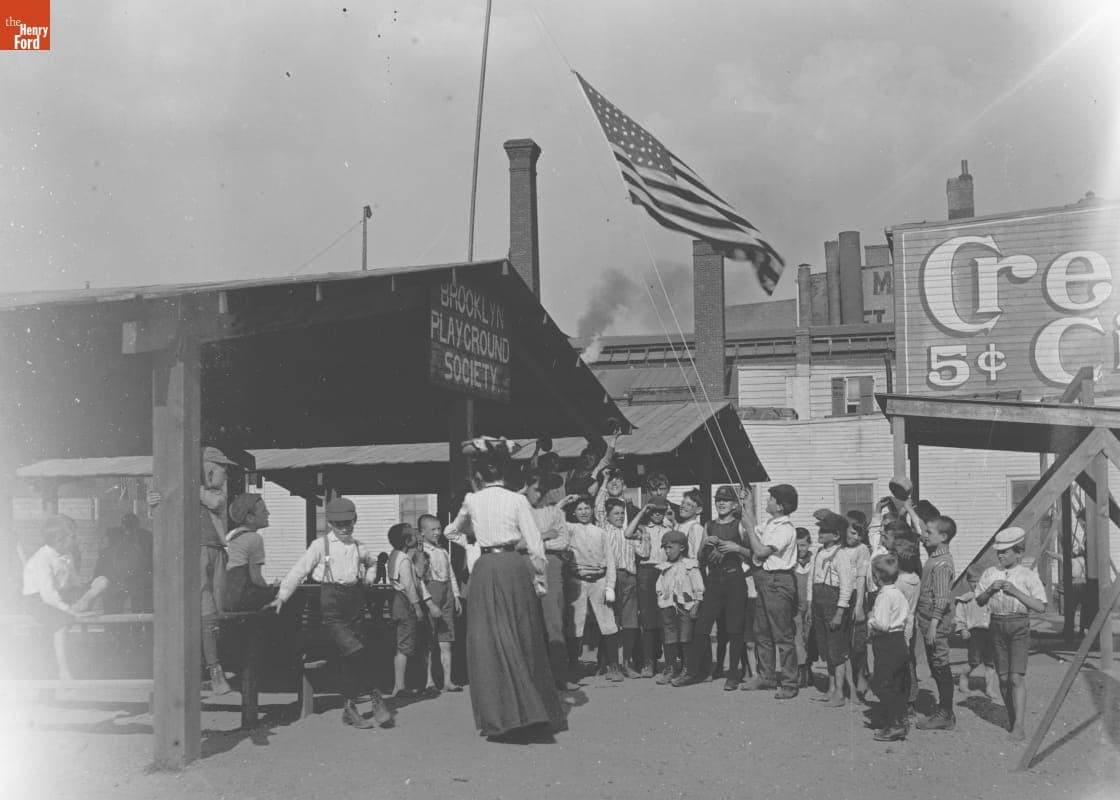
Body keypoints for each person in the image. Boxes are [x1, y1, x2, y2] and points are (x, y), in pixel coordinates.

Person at [444, 440, 564, 740]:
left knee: (488, 641)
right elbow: (536, 546)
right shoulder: (517, 500)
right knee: (523, 636)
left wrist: (477, 534)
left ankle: (502, 716)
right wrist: (540, 580)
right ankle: (532, 712)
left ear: (481, 476)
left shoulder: (473, 500)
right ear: (507, 475)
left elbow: (455, 530)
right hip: (512, 565)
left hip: (485, 568)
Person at [269, 497, 392, 730]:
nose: (344, 528)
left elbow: (373, 563)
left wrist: (369, 577)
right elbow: (298, 570)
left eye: (348, 523)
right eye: (338, 524)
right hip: (331, 608)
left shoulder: (359, 546)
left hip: (355, 603)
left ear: (355, 520)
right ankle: (376, 697)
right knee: (356, 652)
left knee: (351, 657)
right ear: (330, 523)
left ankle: (349, 708)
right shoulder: (320, 546)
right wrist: (282, 596)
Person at [149, 446, 239, 694]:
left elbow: (211, 500)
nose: (226, 476)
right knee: (202, 604)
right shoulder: (186, 491)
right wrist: (155, 501)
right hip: (194, 553)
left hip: (216, 552)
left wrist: (187, 486)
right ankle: (213, 670)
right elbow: (163, 509)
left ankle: (211, 665)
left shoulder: (214, 494)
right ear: (208, 470)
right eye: (223, 470)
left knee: (216, 608)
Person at [674, 485, 750, 690]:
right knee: (701, 627)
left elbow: (753, 555)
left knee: (734, 629)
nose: (721, 503)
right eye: (718, 500)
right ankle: (693, 671)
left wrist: (736, 548)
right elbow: (700, 557)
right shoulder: (709, 525)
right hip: (714, 581)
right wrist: (706, 544)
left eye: (726, 500)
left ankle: (733, 674)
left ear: (734, 504)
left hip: (734, 580)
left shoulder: (739, 524)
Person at [976, 526, 1048, 742]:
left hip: (1018, 626)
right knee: (1004, 678)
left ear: (1019, 552)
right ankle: (1011, 717)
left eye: (1006, 552)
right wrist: (990, 590)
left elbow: (1040, 607)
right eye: (999, 552)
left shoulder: (1027, 575)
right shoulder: (990, 573)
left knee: (1016, 677)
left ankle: (1019, 726)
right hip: (996, 625)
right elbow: (979, 600)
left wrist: (1015, 591)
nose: (1001, 555)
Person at [22, 515, 108, 679]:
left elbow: (74, 581)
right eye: (73, 536)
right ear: (60, 540)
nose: (76, 539)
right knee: (60, 623)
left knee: (102, 581)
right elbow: (49, 595)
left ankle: (81, 604)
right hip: (38, 599)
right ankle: (64, 670)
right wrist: (68, 609)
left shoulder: (67, 554)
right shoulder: (42, 559)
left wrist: (82, 594)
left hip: (62, 593)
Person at [740, 484, 801, 699]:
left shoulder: (785, 529)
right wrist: (747, 504)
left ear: (782, 505)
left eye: (772, 499)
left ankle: (789, 683)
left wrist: (748, 527)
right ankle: (766, 676)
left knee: (782, 634)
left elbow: (761, 550)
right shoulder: (770, 524)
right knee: (762, 631)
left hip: (778, 581)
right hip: (763, 579)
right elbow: (755, 530)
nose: (768, 501)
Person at [521, 471, 579, 691]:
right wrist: (544, 536)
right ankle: (530, 679)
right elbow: (516, 543)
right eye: (537, 488)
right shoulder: (520, 511)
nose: (541, 494)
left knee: (554, 622)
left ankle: (559, 677)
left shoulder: (555, 511)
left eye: (545, 489)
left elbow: (563, 540)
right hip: (526, 566)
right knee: (527, 621)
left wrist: (534, 540)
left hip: (551, 566)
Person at [561, 495, 620, 683]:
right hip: (577, 580)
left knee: (607, 622)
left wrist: (610, 586)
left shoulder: (600, 532)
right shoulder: (570, 529)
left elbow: (610, 560)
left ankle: (613, 666)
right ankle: (573, 665)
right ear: (574, 512)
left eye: (587, 508)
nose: (584, 512)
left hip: (599, 580)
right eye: (579, 509)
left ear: (593, 510)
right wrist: (563, 503)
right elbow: (556, 520)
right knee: (575, 624)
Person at [387, 522, 441, 699]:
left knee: (404, 644)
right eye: (412, 534)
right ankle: (399, 686)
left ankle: (401, 684)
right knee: (404, 646)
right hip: (405, 602)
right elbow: (410, 586)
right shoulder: (403, 560)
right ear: (407, 540)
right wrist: (417, 607)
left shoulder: (395, 556)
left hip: (399, 601)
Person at [807, 512, 855, 707]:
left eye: (824, 530)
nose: (819, 532)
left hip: (833, 603)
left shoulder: (841, 555)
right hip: (818, 602)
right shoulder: (819, 552)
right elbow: (812, 579)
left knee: (836, 650)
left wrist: (839, 612)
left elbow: (847, 586)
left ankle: (840, 692)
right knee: (825, 648)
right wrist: (810, 604)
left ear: (836, 535)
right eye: (819, 529)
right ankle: (831, 687)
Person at [915, 514, 957, 731]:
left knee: (940, 664)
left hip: (935, 619)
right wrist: (911, 510)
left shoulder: (941, 563)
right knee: (934, 663)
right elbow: (923, 527)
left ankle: (946, 713)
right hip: (927, 616)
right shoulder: (935, 552)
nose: (924, 536)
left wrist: (933, 624)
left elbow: (942, 597)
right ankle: (944, 710)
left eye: (929, 533)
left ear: (943, 536)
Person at [627, 496, 674, 678]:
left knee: (666, 617)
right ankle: (649, 662)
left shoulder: (670, 529)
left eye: (661, 511)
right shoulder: (643, 529)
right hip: (646, 572)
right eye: (653, 511)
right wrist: (642, 512)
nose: (657, 514)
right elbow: (628, 533)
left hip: (664, 571)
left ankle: (669, 663)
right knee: (647, 620)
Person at [867, 554, 911, 742]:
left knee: (880, 683)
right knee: (896, 684)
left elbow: (883, 624)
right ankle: (899, 717)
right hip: (899, 640)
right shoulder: (898, 593)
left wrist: (871, 618)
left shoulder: (884, 596)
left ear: (876, 576)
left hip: (887, 641)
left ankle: (895, 723)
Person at [417, 513, 462, 693]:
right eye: (432, 530)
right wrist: (429, 602)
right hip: (431, 593)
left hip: (447, 594)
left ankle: (448, 680)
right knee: (429, 640)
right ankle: (428, 681)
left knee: (446, 640)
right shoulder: (421, 553)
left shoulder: (443, 551)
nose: (437, 533)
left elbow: (450, 574)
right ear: (422, 532)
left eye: (439, 529)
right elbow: (419, 581)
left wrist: (456, 596)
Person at [656, 529, 704, 685]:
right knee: (670, 637)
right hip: (668, 606)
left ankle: (688, 670)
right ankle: (670, 668)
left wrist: (697, 603)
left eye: (670, 547)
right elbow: (660, 586)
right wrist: (662, 598)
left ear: (682, 547)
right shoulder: (665, 567)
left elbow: (698, 587)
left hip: (686, 607)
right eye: (665, 548)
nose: (667, 551)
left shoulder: (690, 566)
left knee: (685, 637)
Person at [603, 497, 641, 678]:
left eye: (622, 513)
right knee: (612, 621)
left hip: (630, 577)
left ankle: (627, 662)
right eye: (616, 514)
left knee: (630, 621)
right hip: (611, 578)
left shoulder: (630, 532)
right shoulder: (603, 532)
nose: (619, 517)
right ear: (607, 516)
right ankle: (612, 665)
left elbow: (644, 552)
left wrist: (642, 536)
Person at [224, 494, 278, 611]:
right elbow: (256, 578)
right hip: (242, 597)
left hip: (226, 597)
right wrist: (271, 589)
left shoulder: (230, 536)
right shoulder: (254, 538)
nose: (268, 513)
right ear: (250, 518)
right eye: (263, 511)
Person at [954, 567, 998, 700]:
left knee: (991, 663)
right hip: (974, 633)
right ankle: (964, 677)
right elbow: (959, 617)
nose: (976, 584)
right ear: (968, 582)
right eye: (972, 581)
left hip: (990, 632)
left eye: (979, 581)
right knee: (974, 661)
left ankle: (989, 688)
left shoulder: (992, 598)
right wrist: (963, 629)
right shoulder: (965, 600)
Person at [844, 511, 872, 702]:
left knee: (859, 641)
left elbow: (861, 578)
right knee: (844, 642)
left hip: (857, 596)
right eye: (849, 531)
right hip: (841, 596)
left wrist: (860, 605)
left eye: (856, 533)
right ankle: (849, 684)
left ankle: (862, 675)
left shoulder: (862, 549)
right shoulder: (840, 548)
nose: (851, 536)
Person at [893, 537, 922, 719]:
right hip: (911, 623)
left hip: (899, 625)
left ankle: (902, 701)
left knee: (898, 665)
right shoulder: (916, 578)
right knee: (908, 662)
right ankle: (911, 699)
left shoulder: (899, 583)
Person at [794, 527, 816, 688]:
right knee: (796, 636)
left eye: (803, 545)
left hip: (810, 604)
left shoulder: (815, 560)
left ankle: (808, 665)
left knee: (809, 637)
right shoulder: (790, 562)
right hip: (795, 605)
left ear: (809, 544)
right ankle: (800, 670)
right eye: (797, 546)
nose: (800, 549)